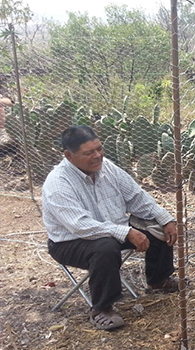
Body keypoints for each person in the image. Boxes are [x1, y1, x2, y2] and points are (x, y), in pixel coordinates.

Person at [42, 125, 179, 330]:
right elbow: (80, 226)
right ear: (69, 156)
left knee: (156, 225)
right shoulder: (57, 184)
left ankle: (158, 280)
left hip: (113, 229)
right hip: (69, 241)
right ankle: (101, 309)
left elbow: (136, 197)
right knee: (105, 247)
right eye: (89, 153)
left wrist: (166, 219)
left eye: (99, 148)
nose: (97, 156)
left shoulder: (107, 167)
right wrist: (126, 231)